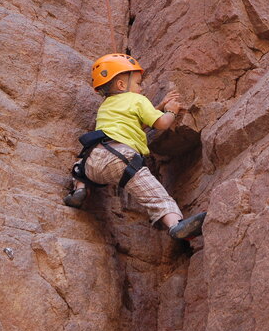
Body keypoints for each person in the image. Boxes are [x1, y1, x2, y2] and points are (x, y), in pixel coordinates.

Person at [64, 54, 206, 240]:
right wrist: (170, 110)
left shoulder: (106, 106)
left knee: (80, 169)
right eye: (138, 83)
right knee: (156, 197)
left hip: (93, 157)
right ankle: (175, 225)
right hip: (123, 160)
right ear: (122, 85)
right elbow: (161, 123)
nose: (141, 87)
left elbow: (133, 122)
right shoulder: (137, 99)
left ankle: (80, 189)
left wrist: (158, 106)